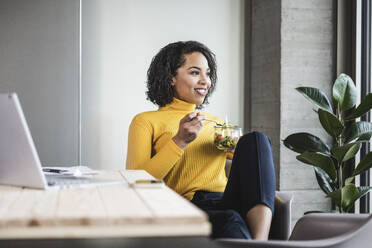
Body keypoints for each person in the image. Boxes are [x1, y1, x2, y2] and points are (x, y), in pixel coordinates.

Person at [126, 41, 276, 240]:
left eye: (208, 73)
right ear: (171, 77)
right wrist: (179, 141)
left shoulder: (216, 123)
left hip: (226, 199)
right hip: (183, 205)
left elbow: (253, 163)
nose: (205, 81)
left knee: (256, 139)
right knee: (230, 220)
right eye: (195, 72)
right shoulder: (146, 121)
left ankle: (260, 241)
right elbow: (136, 180)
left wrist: (238, 147)